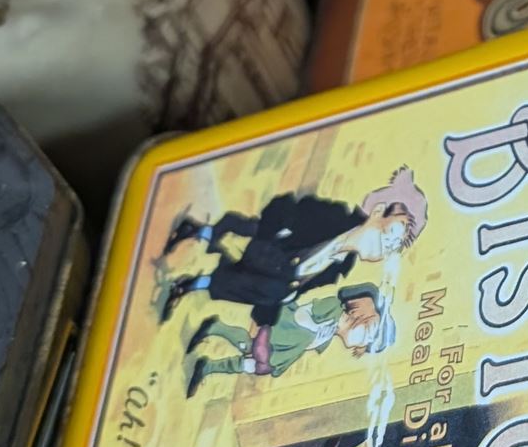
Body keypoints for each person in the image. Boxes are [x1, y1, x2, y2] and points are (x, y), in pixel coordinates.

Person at [155, 170, 426, 326]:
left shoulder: (341, 266)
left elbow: (305, 284)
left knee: (260, 290)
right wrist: (276, 230)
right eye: (392, 232)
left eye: (394, 246)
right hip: (273, 245)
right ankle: (195, 231)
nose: (387, 244)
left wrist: (281, 301)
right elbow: (295, 209)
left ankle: (188, 284)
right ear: (378, 213)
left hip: (276, 274)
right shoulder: (337, 217)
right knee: (239, 239)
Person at [183, 282, 391, 400]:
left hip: (287, 350)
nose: (364, 340)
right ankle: (215, 328)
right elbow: (303, 314)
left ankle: (208, 366)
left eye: (369, 342)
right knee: (254, 350)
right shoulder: (333, 309)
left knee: (255, 365)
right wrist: (311, 332)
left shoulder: (330, 334)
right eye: (369, 332)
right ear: (361, 313)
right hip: (284, 329)